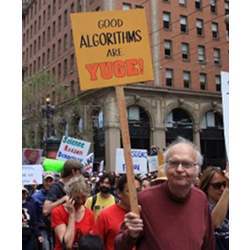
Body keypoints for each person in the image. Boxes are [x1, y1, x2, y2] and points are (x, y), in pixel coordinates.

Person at [115, 137, 215, 250]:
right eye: (174, 163)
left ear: (197, 169)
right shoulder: (144, 199)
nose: (180, 169)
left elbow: (208, 244)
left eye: (186, 164)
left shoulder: (201, 199)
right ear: (166, 167)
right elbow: (120, 246)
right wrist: (131, 235)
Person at [94, 175, 142, 250]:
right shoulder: (105, 215)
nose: (135, 195)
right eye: (129, 191)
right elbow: (95, 245)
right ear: (119, 193)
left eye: (138, 191)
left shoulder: (145, 214)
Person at [51, 175, 95, 250]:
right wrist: (71, 215)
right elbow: (67, 244)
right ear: (69, 196)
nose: (81, 201)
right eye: (77, 198)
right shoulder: (58, 212)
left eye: (83, 197)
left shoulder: (89, 214)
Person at [199, 166, 229, 250]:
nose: (222, 189)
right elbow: (214, 223)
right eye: (217, 185)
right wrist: (228, 188)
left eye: (224, 184)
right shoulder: (201, 207)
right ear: (206, 187)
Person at [32, 172, 55, 250]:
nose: (48, 183)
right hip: (42, 227)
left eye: (50, 181)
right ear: (43, 181)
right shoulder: (36, 196)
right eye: (46, 181)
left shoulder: (58, 194)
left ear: (54, 182)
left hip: (54, 227)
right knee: (46, 247)